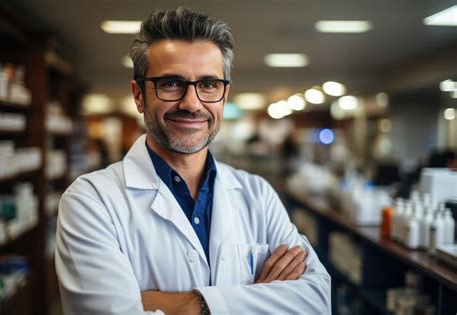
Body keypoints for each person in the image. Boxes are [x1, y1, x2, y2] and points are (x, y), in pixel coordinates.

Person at [55, 7, 331, 315]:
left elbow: (315, 301)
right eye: (171, 83)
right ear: (138, 95)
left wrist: (193, 304)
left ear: (224, 96)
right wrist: (258, 296)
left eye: (209, 85)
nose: (191, 103)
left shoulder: (258, 194)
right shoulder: (91, 201)